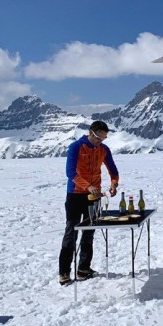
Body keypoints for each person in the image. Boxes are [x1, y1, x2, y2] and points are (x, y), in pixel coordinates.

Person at [58, 120, 119, 286]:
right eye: (98, 138)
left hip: (95, 196)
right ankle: (64, 272)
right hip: (76, 194)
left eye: (103, 139)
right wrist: (88, 186)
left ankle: (83, 268)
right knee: (71, 232)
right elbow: (70, 172)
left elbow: (113, 170)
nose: (100, 142)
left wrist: (114, 184)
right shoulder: (76, 147)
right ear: (91, 133)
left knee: (90, 231)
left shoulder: (104, 149)